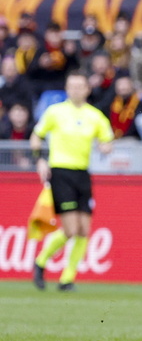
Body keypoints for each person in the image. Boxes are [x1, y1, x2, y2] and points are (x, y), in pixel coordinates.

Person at [30, 72, 114, 291]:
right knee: (70, 229)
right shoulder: (55, 112)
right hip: (60, 172)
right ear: (67, 89)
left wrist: (106, 147)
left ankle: (67, 278)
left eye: (80, 86)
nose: (76, 90)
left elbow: (107, 140)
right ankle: (40, 262)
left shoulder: (94, 116)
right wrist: (40, 161)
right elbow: (36, 136)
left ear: (87, 89)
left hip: (82, 174)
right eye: (72, 86)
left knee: (84, 230)